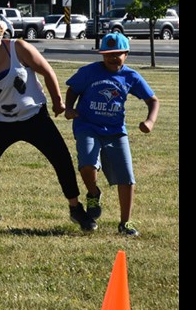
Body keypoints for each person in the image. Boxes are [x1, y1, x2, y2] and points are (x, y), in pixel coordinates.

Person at [0, 11, 95, 230]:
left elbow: (47, 71)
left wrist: (57, 101)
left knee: (61, 159)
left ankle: (76, 208)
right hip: (2, 122)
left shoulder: (18, 48)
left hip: (34, 116)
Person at [64, 32, 159, 237]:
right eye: (108, 54)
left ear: (126, 54)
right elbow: (73, 89)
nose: (112, 58)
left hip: (116, 131)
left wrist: (150, 121)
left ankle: (125, 223)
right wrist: (69, 108)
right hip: (87, 126)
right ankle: (93, 193)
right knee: (88, 163)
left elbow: (153, 100)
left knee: (126, 177)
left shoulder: (130, 76)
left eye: (117, 54)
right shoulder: (89, 72)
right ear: (101, 55)